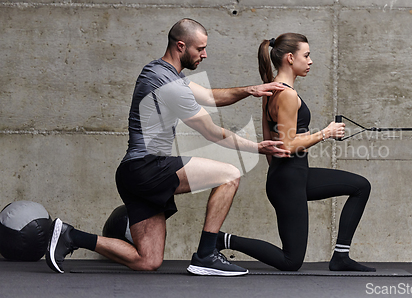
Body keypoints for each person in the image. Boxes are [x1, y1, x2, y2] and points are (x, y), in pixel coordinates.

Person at [45, 18, 290, 276]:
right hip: (149, 166)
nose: (205, 55)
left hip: (133, 173)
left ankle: (71, 236)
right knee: (230, 175)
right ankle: (206, 254)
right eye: (200, 49)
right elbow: (210, 131)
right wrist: (258, 148)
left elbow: (210, 96)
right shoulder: (169, 83)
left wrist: (250, 90)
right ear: (181, 46)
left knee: (147, 260)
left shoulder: (160, 72)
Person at [216, 33, 375, 272]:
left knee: (360, 186)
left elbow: (272, 141)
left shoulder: (272, 89)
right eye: (307, 55)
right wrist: (326, 133)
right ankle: (220, 239)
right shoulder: (287, 94)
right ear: (290, 58)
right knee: (291, 261)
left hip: (292, 176)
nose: (310, 61)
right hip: (289, 180)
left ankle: (341, 256)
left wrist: (282, 172)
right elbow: (288, 145)